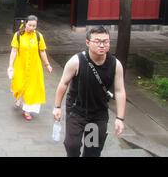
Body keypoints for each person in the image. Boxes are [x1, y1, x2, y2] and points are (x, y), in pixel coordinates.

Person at [52, 26, 126, 157]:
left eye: (106, 41)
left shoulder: (115, 64)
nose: (102, 45)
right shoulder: (76, 61)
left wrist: (120, 118)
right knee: (72, 146)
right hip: (76, 111)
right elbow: (63, 83)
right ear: (87, 42)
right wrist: (57, 107)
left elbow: (119, 91)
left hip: (98, 115)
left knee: (92, 150)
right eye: (97, 41)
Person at [7, 15, 53, 121]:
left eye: (34, 26)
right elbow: (14, 51)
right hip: (20, 66)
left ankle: (27, 110)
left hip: (34, 67)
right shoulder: (18, 35)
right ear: (25, 24)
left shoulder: (38, 36)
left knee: (32, 89)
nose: (32, 27)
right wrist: (10, 65)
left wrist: (47, 65)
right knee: (19, 85)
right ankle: (19, 96)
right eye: (30, 25)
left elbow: (42, 51)